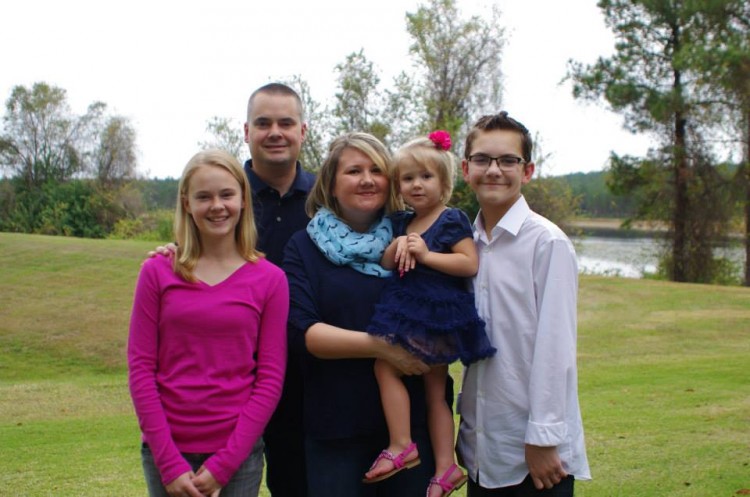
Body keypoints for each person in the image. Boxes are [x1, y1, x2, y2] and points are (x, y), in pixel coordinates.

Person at [150, 82, 314, 497]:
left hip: (309, 387)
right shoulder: (226, 195)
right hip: (231, 397)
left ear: (303, 131)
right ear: (246, 131)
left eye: (285, 122)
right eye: (263, 123)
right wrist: (172, 255)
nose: (274, 131)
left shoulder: (324, 198)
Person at [283, 132, 440, 496]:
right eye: (354, 170)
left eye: (376, 170)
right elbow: (306, 334)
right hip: (336, 426)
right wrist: (384, 347)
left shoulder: (415, 234)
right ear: (331, 186)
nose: (367, 179)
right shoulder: (304, 246)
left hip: (411, 430)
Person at [128, 149, 289, 497]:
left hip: (238, 455)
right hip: (166, 451)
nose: (217, 205)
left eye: (226, 194)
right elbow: (141, 369)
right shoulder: (156, 272)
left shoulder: (270, 280)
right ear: (187, 203)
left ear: (243, 200)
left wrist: (224, 465)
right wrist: (169, 465)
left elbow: (270, 378)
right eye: (204, 196)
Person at [456, 112, 591, 496]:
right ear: (466, 169)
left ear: (527, 170)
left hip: (534, 455)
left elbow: (555, 348)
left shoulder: (547, 244)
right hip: (482, 447)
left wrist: (544, 437)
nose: (494, 170)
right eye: (482, 159)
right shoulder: (466, 245)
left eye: (507, 161)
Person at [361, 131, 496, 497]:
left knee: (386, 367)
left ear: (445, 182)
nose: (416, 185)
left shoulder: (450, 219)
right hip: (411, 312)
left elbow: (469, 263)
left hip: (435, 313)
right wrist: (398, 245)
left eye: (426, 177)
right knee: (434, 392)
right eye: (408, 178)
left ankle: (401, 444)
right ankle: (445, 468)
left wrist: (426, 254)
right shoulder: (404, 222)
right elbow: (387, 261)